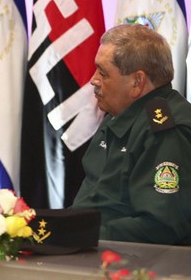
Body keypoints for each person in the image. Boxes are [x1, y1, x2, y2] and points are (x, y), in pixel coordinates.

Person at [72, 24, 191, 245]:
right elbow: (93, 202)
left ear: (137, 82)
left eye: (103, 73)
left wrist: (79, 236)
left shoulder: (166, 130)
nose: (93, 80)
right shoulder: (117, 115)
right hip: (93, 250)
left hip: (132, 261)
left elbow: (161, 226)